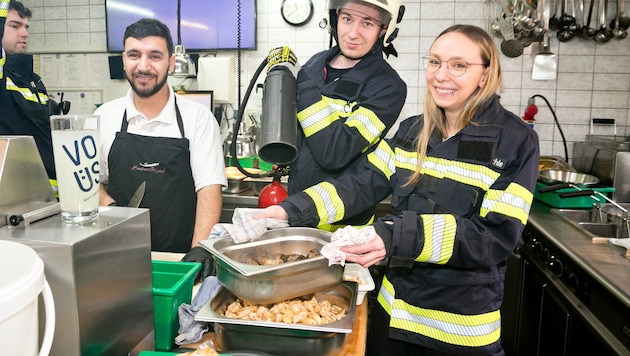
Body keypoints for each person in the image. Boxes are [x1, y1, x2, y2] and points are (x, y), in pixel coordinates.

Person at [256, 24, 540, 355]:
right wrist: (288, 212)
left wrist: (394, 236)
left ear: (485, 74)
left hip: (458, 335)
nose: (441, 75)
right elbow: (358, 184)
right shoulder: (413, 131)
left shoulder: (515, 141)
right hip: (393, 322)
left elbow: (493, 238)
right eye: (434, 62)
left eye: (458, 65)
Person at [96, 18, 226, 274]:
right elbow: (89, 184)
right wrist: (110, 208)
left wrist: (200, 249)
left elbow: (209, 191)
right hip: (116, 259)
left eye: (154, 56)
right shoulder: (103, 118)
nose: (143, 66)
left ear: (170, 62)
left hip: (178, 260)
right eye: (134, 55)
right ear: (124, 59)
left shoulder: (197, 119)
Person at [284, 0, 406, 230]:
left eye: (367, 23)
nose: (353, 33)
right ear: (335, 18)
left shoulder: (387, 86)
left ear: (384, 30)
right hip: (298, 215)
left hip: (344, 227)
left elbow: (335, 152)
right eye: (347, 18)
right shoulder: (314, 64)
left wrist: (302, 85)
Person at [0, 0, 57, 185]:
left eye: (26, 27)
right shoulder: (3, 77)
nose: (25, 33)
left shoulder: (34, 80)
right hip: (13, 196)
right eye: (15, 26)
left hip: (48, 196)